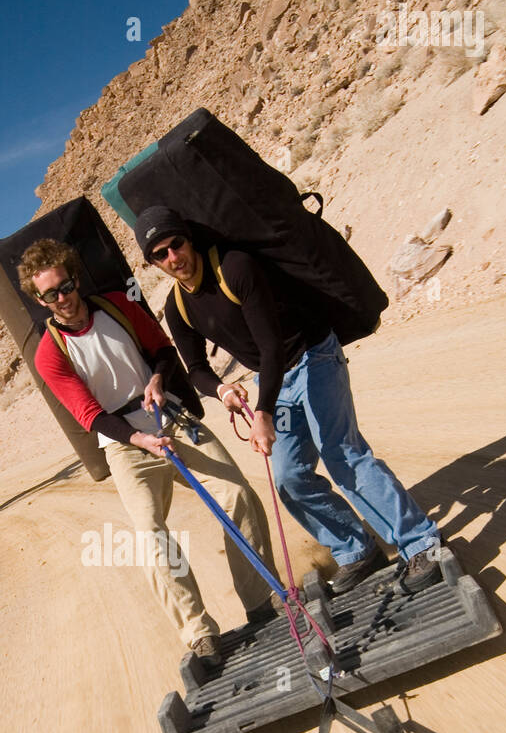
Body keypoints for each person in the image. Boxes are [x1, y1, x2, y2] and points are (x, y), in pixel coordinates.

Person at [134, 206, 442, 595]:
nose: (172, 258)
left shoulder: (234, 267)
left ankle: (420, 543)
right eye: (159, 255)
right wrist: (223, 390)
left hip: (314, 355)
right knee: (289, 477)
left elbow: (270, 344)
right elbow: (196, 369)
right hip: (272, 377)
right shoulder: (179, 308)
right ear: (153, 263)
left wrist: (262, 411)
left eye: (175, 244)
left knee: (342, 455)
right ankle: (355, 550)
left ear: (188, 239)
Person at [17, 237, 281, 667]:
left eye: (65, 286)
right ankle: (199, 634)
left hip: (170, 419)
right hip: (125, 444)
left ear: (75, 279)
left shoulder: (119, 305)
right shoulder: (50, 354)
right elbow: (90, 414)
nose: (63, 298)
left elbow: (161, 350)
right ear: (40, 300)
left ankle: (259, 603)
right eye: (51, 294)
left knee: (237, 495)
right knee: (150, 537)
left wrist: (157, 380)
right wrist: (140, 441)